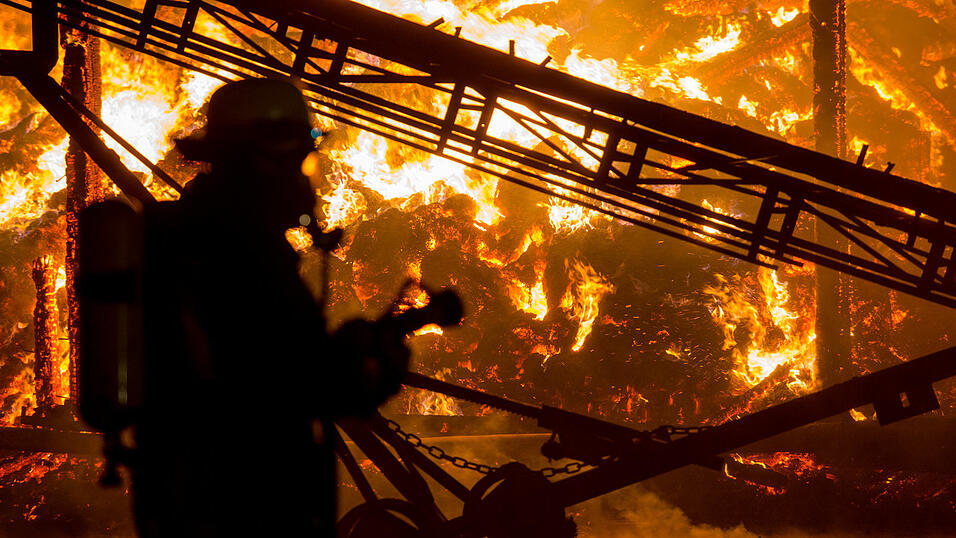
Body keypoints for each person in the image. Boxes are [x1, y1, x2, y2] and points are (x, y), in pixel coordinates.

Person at [131, 78, 407, 537]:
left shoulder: (191, 236)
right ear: (265, 161)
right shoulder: (235, 254)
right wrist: (373, 361)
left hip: (196, 502)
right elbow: (292, 383)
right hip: (243, 507)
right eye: (300, 160)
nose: (306, 178)